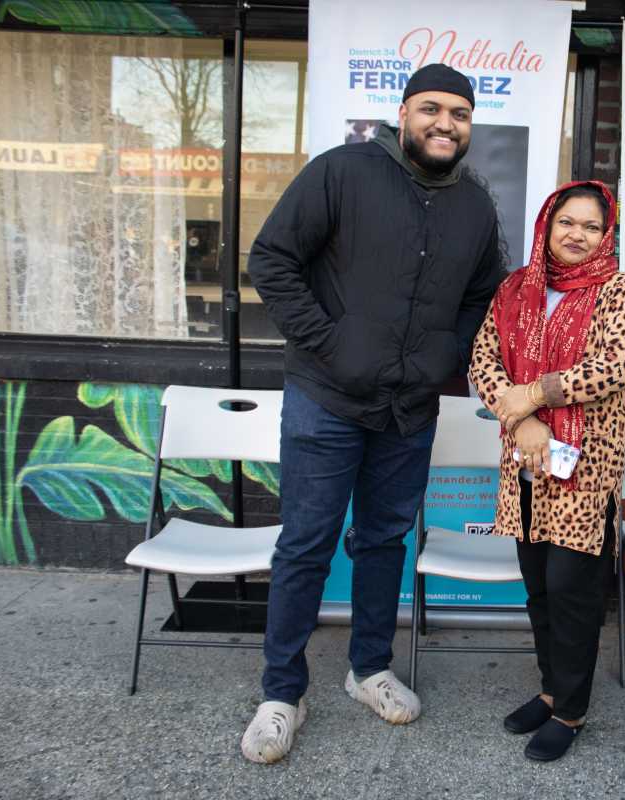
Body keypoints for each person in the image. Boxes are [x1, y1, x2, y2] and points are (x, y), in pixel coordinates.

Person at [241, 64, 505, 764]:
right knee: (306, 543)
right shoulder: (343, 171)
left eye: (459, 114)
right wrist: (330, 344)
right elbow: (271, 260)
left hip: (409, 408)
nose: (445, 123)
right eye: (432, 109)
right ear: (404, 112)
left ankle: (369, 669)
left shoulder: (474, 207)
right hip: (325, 400)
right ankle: (282, 693)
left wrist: (447, 355)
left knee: (385, 540)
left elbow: (483, 295)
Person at [468, 180, 625, 762]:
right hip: (524, 462)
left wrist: (534, 394)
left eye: (592, 227)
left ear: (606, 235)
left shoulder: (621, 291)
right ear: (547, 224)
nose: (578, 235)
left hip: (585, 469)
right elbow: (483, 359)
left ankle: (571, 711)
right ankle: (551, 691)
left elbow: (616, 365)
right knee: (540, 588)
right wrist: (523, 420)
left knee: (573, 592)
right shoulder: (515, 288)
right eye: (567, 222)